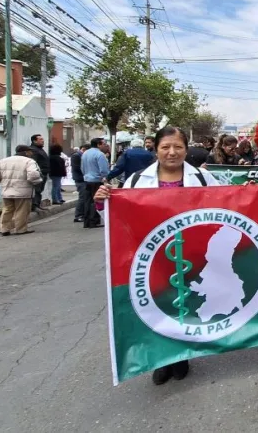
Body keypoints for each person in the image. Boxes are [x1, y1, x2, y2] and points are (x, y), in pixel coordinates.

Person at [93, 126, 220, 386]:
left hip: (193, 254)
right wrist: (101, 201)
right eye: (165, 147)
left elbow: (228, 207)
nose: (172, 153)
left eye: (178, 147)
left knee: (188, 306)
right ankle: (162, 359)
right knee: (159, 304)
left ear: (186, 148)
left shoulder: (204, 178)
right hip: (154, 256)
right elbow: (119, 222)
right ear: (156, 149)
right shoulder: (138, 181)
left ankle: (182, 355)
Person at [0, 145, 43, 236]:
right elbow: (33, 174)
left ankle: (4, 229)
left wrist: (1, 180)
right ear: (25, 152)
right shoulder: (29, 161)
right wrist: (36, 182)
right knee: (22, 210)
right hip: (23, 191)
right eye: (30, 151)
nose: (31, 153)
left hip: (7, 190)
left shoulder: (4, 160)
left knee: (7, 209)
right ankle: (20, 229)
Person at [81, 137, 109, 229]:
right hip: (97, 180)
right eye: (104, 144)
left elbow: (82, 168)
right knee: (96, 201)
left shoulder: (85, 153)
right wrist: (105, 178)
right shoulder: (100, 154)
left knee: (87, 201)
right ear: (98, 144)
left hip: (87, 179)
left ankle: (87, 221)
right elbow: (104, 170)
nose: (105, 146)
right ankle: (94, 221)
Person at [29, 134, 49, 210]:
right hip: (39, 173)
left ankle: (37, 204)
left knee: (40, 190)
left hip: (44, 173)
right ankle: (34, 205)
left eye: (42, 139)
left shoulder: (40, 149)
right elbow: (34, 162)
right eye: (40, 139)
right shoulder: (33, 150)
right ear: (34, 141)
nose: (42, 141)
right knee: (37, 190)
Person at [70, 144, 88, 223]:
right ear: (83, 149)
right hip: (80, 179)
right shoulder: (76, 156)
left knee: (85, 197)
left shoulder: (82, 156)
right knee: (82, 197)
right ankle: (78, 215)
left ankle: (83, 214)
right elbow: (77, 168)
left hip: (84, 179)